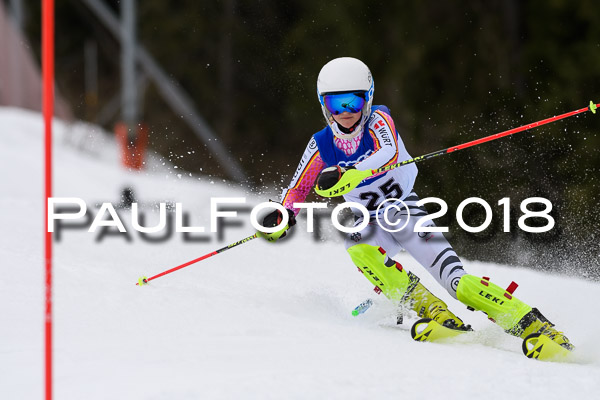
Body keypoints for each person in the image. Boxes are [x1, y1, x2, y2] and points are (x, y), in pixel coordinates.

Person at [260, 57, 572, 348]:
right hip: (368, 220)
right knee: (358, 246)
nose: (345, 111)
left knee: (457, 282)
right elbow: (297, 189)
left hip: (403, 210)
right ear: (323, 105)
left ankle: (536, 326)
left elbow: (389, 152)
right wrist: (283, 216)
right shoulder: (321, 144)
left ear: (366, 99)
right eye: (335, 103)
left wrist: (353, 172)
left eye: (352, 101)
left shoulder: (379, 119)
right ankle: (433, 311)